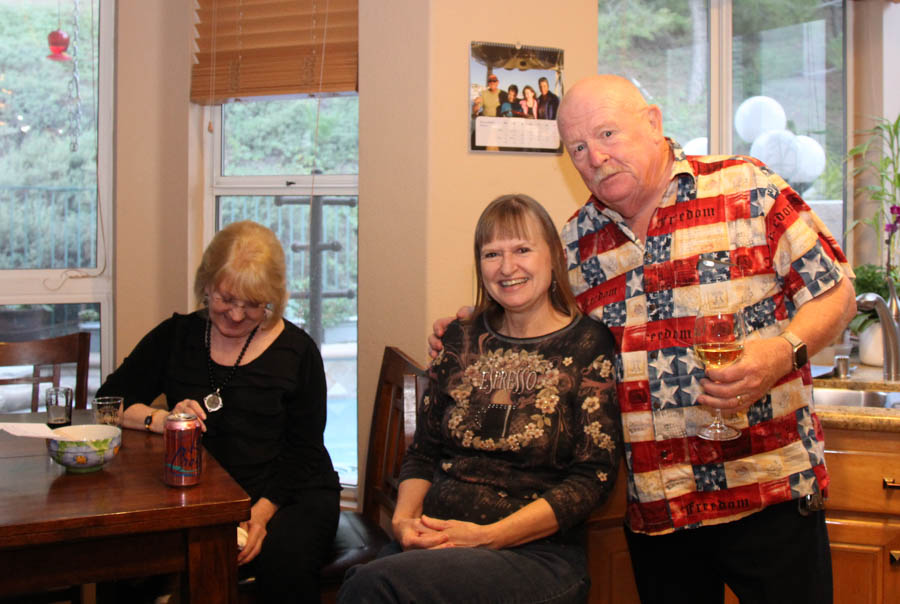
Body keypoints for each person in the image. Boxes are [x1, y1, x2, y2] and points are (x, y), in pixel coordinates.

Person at [430, 74, 857, 604]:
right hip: (660, 510)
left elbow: (835, 291)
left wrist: (783, 351)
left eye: (608, 135)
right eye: (579, 147)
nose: (596, 157)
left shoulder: (750, 188)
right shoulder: (575, 245)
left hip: (767, 491)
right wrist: (473, 329)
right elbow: (537, 324)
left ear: (653, 122)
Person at [339, 195, 621, 604]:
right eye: (492, 253)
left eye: (522, 249)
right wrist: (403, 523)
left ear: (555, 257)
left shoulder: (587, 344)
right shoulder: (461, 338)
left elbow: (591, 479)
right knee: (366, 580)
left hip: (532, 556)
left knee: (370, 587)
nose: (507, 268)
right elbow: (424, 452)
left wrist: (487, 537)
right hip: (435, 543)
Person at [96, 220, 341, 603]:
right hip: (201, 497)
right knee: (125, 561)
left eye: (254, 304)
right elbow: (107, 403)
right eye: (226, 299)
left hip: (289, 493)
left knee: (283, 564)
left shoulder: (298, 352)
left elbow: (305, 452)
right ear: (206, 285)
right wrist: (164, 420)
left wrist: (259, 515)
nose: (238, 315)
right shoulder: (176, 337)